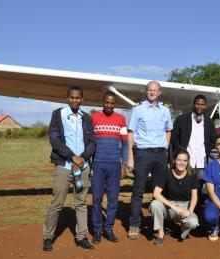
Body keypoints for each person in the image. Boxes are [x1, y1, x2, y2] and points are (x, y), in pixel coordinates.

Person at [42, 86, 95, 251]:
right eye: (72, 97)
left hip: (83, 167)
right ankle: (48, 237)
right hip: (64, 166)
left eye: (78, 98)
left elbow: (92, 142)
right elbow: (54, 140)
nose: (75, 100)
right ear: (67, 98)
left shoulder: (87, 118)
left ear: (82, 100)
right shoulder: (58, 114)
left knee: (81, 203)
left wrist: (83, 159)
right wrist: (73, 157)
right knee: (57, 203)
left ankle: (81, 236)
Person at [127, 81, 173, 240]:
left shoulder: (166, 111)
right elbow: (130, 133)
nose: (152, 92)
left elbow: (168, 131)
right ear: (146, 92)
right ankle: (134, 225)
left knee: (159, 191)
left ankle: (158, 225)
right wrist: (131, 157)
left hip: (160, 154)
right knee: (138, 190)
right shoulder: (138, 110)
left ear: (160, 92)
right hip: (143, 153)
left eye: (155, 90)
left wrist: (165, 150)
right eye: (150, 90)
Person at [90, 91, 128, 244]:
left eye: (112, 103)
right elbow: (89, 142)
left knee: (112, 200)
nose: (109, 105)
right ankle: (97, 230)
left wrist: (123, 165)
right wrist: (90, 165)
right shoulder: (94, 118)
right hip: (98, 164)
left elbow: (125, 143)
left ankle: (108, 229)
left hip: (114, 165)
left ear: (115, 104)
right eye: (107, 102)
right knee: (97, 199)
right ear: (103, 102)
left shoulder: (121, 119)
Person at [149, 149, 200, 246]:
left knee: (193, 222)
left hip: (185, 207)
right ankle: (161, 234)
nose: (182, 163)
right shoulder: (167, 173)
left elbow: (194, 196)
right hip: (170, 206)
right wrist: (173, 206)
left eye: (185, 160)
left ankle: (182, 229)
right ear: (174, 161)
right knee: (155, 204)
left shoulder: (192, 175)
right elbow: (156, 193)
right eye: (179, 160)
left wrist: (190, 210)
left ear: (188, 162)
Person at [171, 94, 216, 179]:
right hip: (186, 161)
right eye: (197, 104)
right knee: (185, 185)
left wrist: (207, 151)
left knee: (200, 186)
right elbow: (174, 138)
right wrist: (180, 152)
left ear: (205, 106)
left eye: (202, 104)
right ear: (194, 104)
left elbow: (213, 140)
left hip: (201, 161)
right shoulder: (182, 119)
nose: (200, 106)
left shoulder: (209, 122)